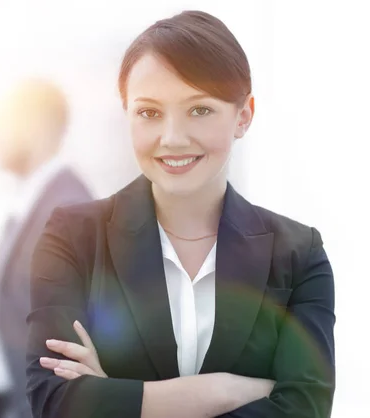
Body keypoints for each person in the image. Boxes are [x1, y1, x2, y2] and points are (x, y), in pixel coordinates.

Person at [26, 11, 335, 418]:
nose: (172, 138)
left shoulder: (299, 255)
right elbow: (55, 400)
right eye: (149, 113)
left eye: (200, 110)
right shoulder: (71, 238)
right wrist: (225, 391)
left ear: (244, 115)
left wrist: (117, 398)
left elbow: (306, 408)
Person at [0, 79, 93, 418]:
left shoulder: (68, 209)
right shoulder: (34, 204)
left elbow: (72, 340)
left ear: (35, 127)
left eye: (2, 123)